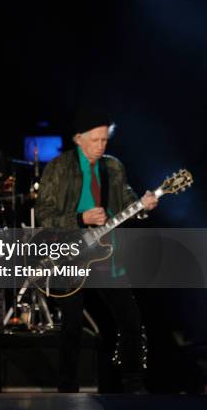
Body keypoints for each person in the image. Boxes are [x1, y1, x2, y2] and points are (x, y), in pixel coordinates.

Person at [35, 108, 158, 393]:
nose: (101, 146)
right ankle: (67, 385)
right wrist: (81, 219)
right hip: (69, 252)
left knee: (129, 318)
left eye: (104, 140)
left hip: (105, 255)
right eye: (95, 140)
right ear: (78, 139)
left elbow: (127, 201)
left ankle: (132, 381)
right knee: (73, 323)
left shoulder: (113, 166)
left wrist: (143, 205)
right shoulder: (58, 167)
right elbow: (44, 215)